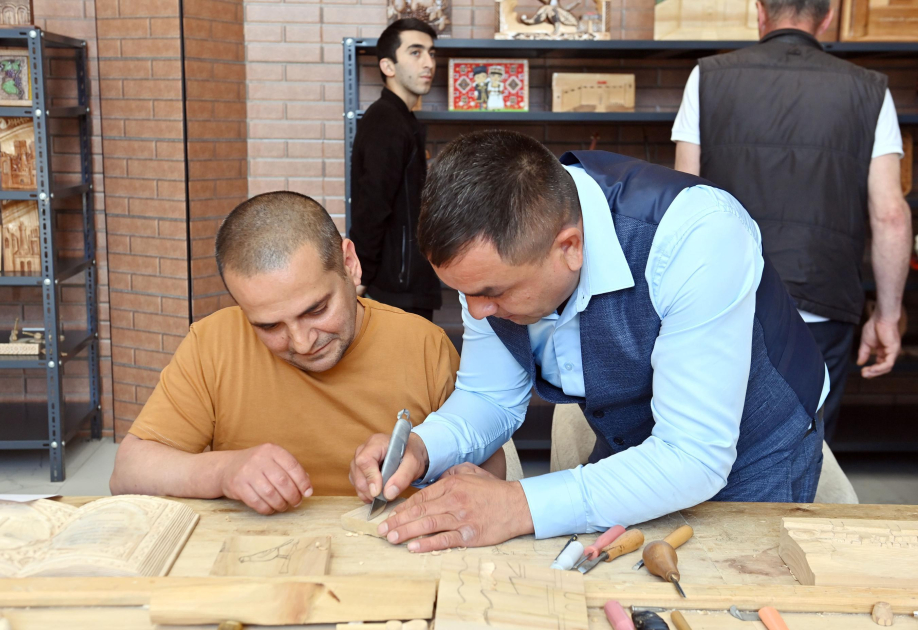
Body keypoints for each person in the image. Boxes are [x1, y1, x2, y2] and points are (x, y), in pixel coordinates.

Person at [349, 130, 831, 552]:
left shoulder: (698, 234)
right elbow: (488, 396)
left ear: (570, 247)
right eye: (464, 293)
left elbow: (693, 455)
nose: (476, 313)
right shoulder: (493, 262)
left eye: (493, 293)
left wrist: (517, 504)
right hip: (638, 449)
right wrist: (422, 448)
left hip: (753, 450)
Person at [110, 191, 505, 515]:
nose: (301, 343)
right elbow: (128, 471)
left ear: (350, 264)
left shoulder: (422, 344)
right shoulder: (213, 343)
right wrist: (223, 470)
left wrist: (429, 464)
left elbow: (491, 466)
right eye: (269, 326)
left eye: (316, 310)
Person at [672, 0, 913, 443]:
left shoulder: (707, 76)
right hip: (823, 301)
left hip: (726, 297)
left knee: (714, 441)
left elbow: (684, 199)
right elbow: (891, 216)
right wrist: (887, 315)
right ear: (828, 18)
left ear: (760, 12)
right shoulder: (870, 89)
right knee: (805, 446)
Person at [348, 19, 442, 322]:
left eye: (431, 53)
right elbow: (372, 205)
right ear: (388, 66)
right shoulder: (386, 121)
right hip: (394, 288)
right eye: (415, 52)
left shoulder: (401, 119)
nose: (428, 63)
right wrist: (360, 276)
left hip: (406, 282)